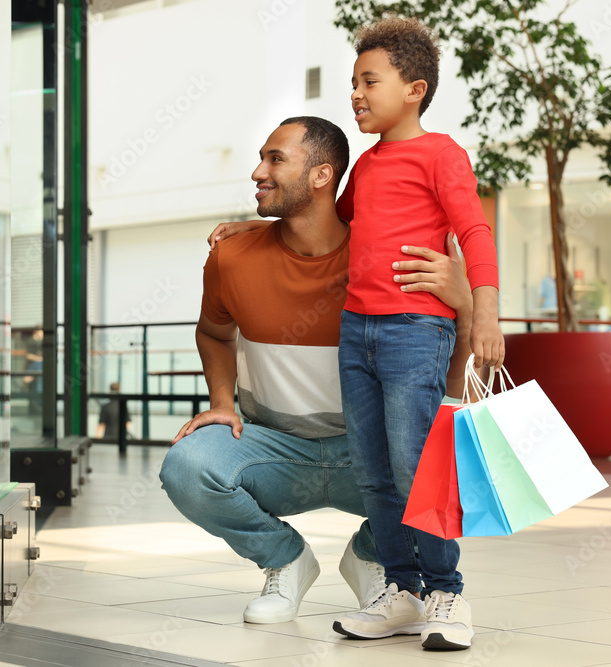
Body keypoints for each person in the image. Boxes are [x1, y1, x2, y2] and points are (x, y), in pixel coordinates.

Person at [159, 116, 475, 628]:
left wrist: (464, 306)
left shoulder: (389, 261)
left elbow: (438, 358)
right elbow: (215, 333)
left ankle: (379, 561)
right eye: (262, 157)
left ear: (323, 176)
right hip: (277, 449)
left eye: (275, 159)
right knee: (187, 467)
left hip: (371, 454)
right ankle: (286, 559)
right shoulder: (232, 257)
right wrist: (221, 403)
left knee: (445, 462)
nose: (258, 171)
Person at [329, 17, 504, 650]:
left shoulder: (441, 154)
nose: (355, 93)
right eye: (353, 82)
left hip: (415, 331)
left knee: (416, 467)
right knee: (374, 472)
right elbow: (327, 223)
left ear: (415, 88)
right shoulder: (367, 168)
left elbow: (476, 232)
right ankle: (400, 589)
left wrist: (482, 312)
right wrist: (249, 227)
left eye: (369, 81)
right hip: (357, 333)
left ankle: (445, 592)